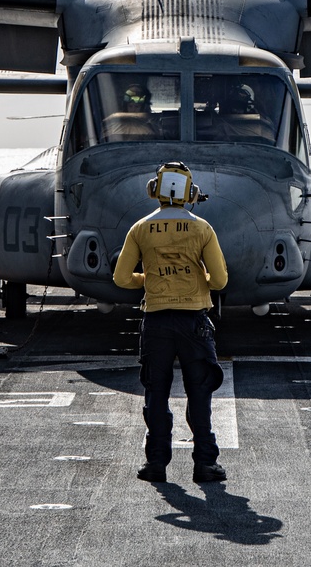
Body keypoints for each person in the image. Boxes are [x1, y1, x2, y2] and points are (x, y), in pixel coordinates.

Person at [113, 161, 229, 483]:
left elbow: (121, 278)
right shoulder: (202, 228)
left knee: (156, 394)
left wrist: (146, 278)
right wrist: (199, 278)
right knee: (200, 393)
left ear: (155, 190)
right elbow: (218, 281)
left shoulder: (140, 228)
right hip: (194, 321)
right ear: (190, 193)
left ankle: (156, 465)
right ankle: (205, 464)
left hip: (157, 322)